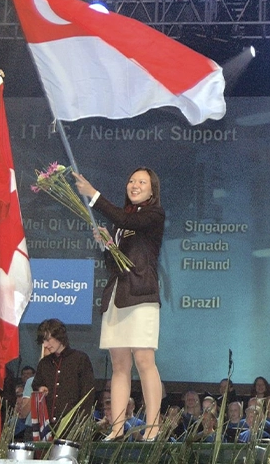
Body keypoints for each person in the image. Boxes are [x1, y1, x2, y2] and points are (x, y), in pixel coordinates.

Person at [74, 167, 165, 441]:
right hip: (117, 295)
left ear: (152, 190)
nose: (134, 185)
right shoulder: (121, 224)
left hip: (141, 295)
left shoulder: (153, 215)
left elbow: (128, 221)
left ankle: (152, 428)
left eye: (142, 182)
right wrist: (106, 246)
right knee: (119, 364)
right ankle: (116, 428)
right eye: (131, 181)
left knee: (144, 359)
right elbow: (114, 265)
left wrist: (93, 195)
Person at [31, 319, 95, 428]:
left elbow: (87, 394)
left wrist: (81, 423)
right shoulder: (44, 363)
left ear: (59, 336)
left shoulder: (80, 359)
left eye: (48, 340)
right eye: (43, 341)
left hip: (73, 425)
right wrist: (40, 388)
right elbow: (36, 385)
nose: (45, 344)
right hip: (47, 427)